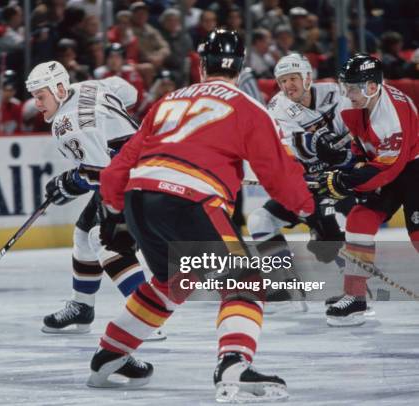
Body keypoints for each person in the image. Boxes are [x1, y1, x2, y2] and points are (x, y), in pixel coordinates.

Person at [87, 30, 314, 402]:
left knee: (173, 280)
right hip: (192, 199)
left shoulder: (167, 101)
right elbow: (277, 174)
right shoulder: (248, 106)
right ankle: (234, 364)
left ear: (201, 63)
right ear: (241, 68)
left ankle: (109, 355)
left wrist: (114, 214)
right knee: (246, 279)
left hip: (139, 197)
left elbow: (118, 169)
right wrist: (309, 210)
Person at [24, 60, 164, 340]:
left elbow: (102, 174)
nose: (36, 104)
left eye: (41, 96)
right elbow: (130, 93)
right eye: (34, 97)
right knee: (84, 232)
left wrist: (68, 183)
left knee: (106, 240)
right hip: (139, 166)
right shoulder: (88, 86)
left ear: (60, 89)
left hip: (136, 178)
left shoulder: (69, 126)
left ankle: (146, 318)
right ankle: (82, 306)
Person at [315, 54, 419, 326]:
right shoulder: (360, 102)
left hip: (413, 169)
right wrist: (343, 161)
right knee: (359, 219)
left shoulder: (392, 114)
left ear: (372, 87)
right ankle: (356, 297)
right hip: (389, 165)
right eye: (345, 86)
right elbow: (361, 147)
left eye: (352, 87)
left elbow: (389, 169)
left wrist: (345, 181)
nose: (347, 93)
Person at [247, 53, 352, 304]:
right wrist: (319, 143)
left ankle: (356, 291)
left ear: (307, 77)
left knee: (338, 230)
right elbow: (297, 147)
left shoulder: (336, 93)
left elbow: (355, 138)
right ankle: (283, 284)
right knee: (259, 221)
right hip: (307, 186)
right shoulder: (277, 107)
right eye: (282, 81)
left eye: (293, 78)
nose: (288, 86)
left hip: (342, 182)